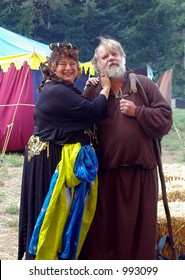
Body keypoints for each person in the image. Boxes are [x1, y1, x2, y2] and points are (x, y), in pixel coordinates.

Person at [79, 36, 173, 260]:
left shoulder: (144, 85)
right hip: (106, 178)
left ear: (123, 58)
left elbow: (165, 120)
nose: (111, 58)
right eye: (105, 56)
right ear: (97, 64)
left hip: (141, 176)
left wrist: (138, 112)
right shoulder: (94, 91)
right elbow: (79, 121)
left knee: (139, 236)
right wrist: (85, 91)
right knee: (104, 234)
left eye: (115, 54)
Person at [18, 42, 111, 260]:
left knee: (51, 213)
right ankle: (43, 260)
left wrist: (89, 88)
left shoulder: (61, 88)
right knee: (50, 213)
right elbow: (91, 112)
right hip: (47, 161)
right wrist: (105, 88)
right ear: (52, 67)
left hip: (45, 155)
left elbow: (77, 109)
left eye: (72, 63)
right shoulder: (56, 90)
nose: (68, 68)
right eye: (62, 64)